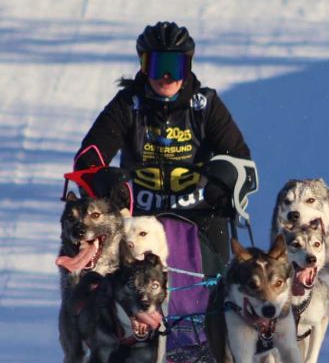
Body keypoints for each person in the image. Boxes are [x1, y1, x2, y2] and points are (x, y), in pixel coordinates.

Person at [73, 21, 257, 265]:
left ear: (188, 67)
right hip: (137, 216)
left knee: (218, 278)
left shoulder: (206, 106)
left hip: (201, 212)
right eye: (158, 66)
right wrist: (106, 181)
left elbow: (241, 161)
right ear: (143, 67)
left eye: (175, 67)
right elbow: (88, 157)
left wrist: (223, 181)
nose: (166, 77)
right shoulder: (127, 105)